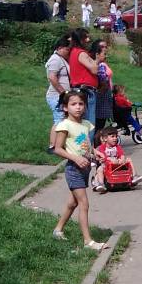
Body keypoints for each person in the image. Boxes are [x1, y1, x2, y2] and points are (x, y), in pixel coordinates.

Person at [51, 90, 109, 251]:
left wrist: (95, 152)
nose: (78, 107)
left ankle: (58, 229)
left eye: (81, 104)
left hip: (85, 169)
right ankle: (88, 241)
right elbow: (57, 149)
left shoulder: (85, 124)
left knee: (73, 203)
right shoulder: (64, 125)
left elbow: (86, 144)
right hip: (73, 169)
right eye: (73, 104)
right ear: (65, 108)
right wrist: (75, 158)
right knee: (84, 203)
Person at [92, 126, 142, 192]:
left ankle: (134, 176)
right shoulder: (102, 147)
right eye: (112, 136)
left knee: (128, 159)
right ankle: (101, 184)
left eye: (116, 136)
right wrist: (110, 159)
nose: (115, 138)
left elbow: (121, 154)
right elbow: (104, 156)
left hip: (118, 164)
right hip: (107, 165)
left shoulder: (117, 147)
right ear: (105, 139)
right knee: (100, 169)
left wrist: (122, 159)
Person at [45, 35, 72, 153]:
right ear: (60, 48)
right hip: (56, 96)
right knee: (59, 119)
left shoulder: (62, 59)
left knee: (62, 119)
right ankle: (52, 145)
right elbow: (52, 77)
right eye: (67, 49)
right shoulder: (55, 59)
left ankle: (59, 144)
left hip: (61, 96)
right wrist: (63, 92)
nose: (69, 52)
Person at [68, 28, 99, 126]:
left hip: (79, 89)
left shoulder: (74, 52)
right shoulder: (81, 53)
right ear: (81, 39)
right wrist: (97, 60)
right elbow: (94, 69)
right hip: (86, 91)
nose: (88, 40)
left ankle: (80, 141)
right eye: (86, 37)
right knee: (88, 122)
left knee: (81, 122)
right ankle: (86, 141)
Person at [91, 39, 113, 136]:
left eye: (105, 47)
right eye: (102, 47)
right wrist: (103, 89)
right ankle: (96, 144)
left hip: (105, 96)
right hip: (101, 97)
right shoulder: (99, 65)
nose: (105, 50)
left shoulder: (103, 63)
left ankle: (98, 143)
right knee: (99, 123)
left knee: (101, 123)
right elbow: (103, 81)